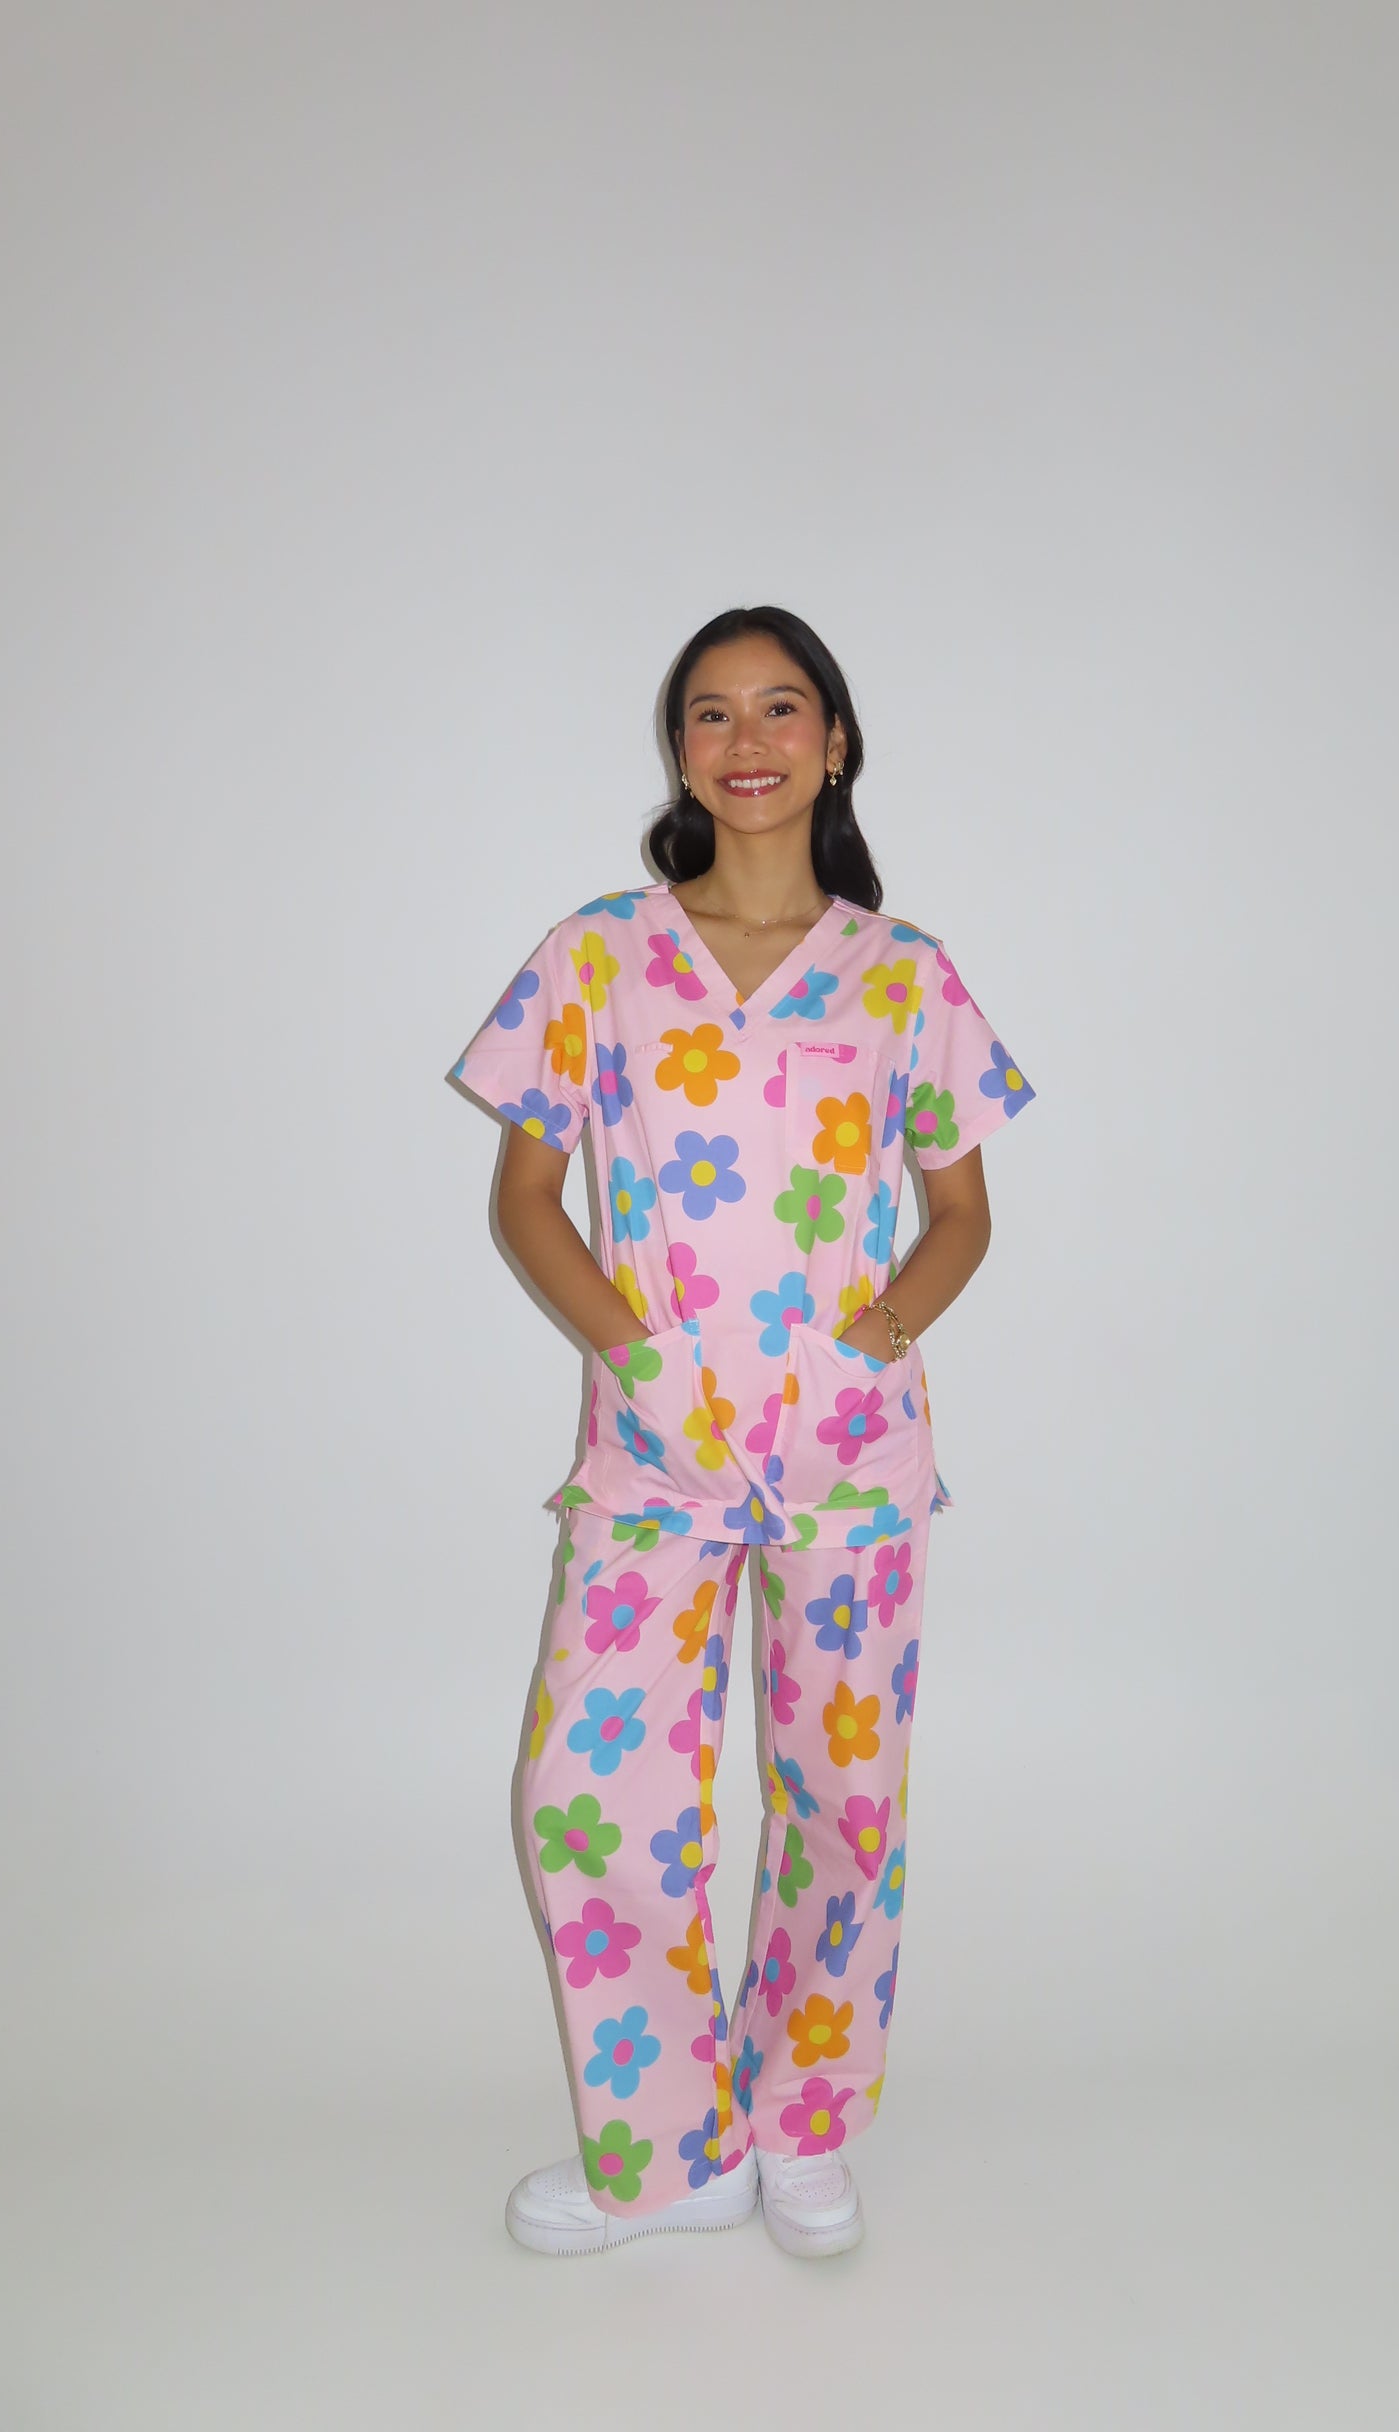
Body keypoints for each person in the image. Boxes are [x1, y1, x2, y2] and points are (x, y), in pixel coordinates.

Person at [446, 605, 1035, 2258]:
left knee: (843, 1799)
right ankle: (667, 2152)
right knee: (589, 1788)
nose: (748, 739)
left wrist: (874, 1345)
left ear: (834, 743)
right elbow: (527, 1198)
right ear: (680, 750)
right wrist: (635, 1354)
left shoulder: (904, 974)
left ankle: (802, 2118)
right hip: (653, 1455)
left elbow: (964, 1217)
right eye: (712, 712)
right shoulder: (595, 958)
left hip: (851, 1457)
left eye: (782, 708)